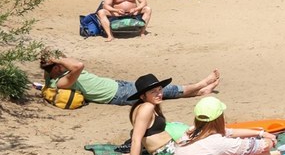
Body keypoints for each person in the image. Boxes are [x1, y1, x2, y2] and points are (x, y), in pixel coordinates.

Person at [37, 49, 218, 106]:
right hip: (117, 94)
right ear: (55, 68)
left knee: (160, 92)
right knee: (161, 90)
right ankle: (201, 84)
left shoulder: (52, 76)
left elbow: (63, 66)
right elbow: (78, 65)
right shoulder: (62, 82)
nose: (64, 62)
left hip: (117, 85)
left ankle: (200, 92)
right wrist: (57, 60)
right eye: (60, 63)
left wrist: (52, 60)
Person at [174, 96, 283, 155]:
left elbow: (230, 132)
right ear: (219, 118)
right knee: (260, 152)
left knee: (233, 154)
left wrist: (260, 133)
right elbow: (261, 146)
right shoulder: (216, 142)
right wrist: (271, 140)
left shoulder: (189, 133)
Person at [123, 74, 180, 155]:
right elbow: (136, 139)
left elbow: (138, 132)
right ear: (142, 96)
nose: (159, 94)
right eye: (153, 92)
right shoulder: (147, 108)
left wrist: (137, 153)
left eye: (160, 89)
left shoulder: (145, 106)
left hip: (171, 151)